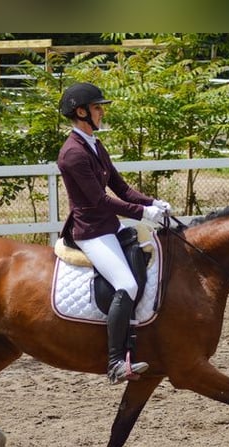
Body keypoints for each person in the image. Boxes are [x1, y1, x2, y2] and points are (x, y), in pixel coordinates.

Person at [57, 82, 171, 384]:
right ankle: (116, 361)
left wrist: (152, 202)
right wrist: (143, 214)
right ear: (81, 112)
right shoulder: (72, 154)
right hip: (91, 231)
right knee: (126, 284)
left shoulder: (94, 144)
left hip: (110, 225)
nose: (101, 111)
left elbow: (120, 187)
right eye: (97, 107)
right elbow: (99, 200)